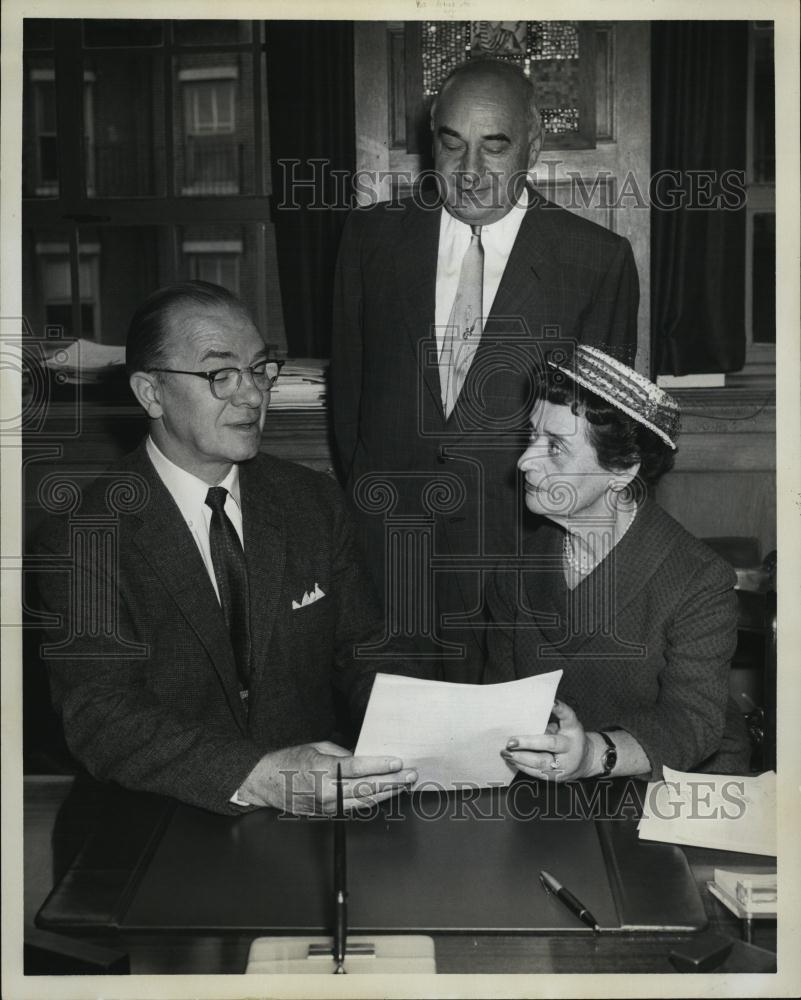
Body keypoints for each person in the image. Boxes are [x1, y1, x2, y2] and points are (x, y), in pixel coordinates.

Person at [35, 281, 416, 816]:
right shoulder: (84, 535)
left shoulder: (312, 501)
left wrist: (434, 732)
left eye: (260, 369)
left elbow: (365, 651)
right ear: (151, 393)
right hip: (160, 817)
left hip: (313, 811)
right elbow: (103, 715)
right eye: (221, 374)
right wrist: (260, 777)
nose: (253, 395)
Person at [332, 57, 639, 684]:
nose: (469, 173)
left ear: (533, 146)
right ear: (432, 139)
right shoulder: (371, 239)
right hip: (391, 555)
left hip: (520, 567)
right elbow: (350, 405)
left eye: (494, 147)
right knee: (394, 761)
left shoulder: (594, 260)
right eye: (452, 144)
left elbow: (599, 443)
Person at [487, 346, 751, 780]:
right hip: (556, 790)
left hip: (675, 787)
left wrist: (592, 755)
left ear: (623, 470)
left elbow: (692, 723)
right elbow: (501, 703)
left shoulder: (698, 580)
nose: (524, 462)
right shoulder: (514, 570)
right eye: (531, 436)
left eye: (554, 447)